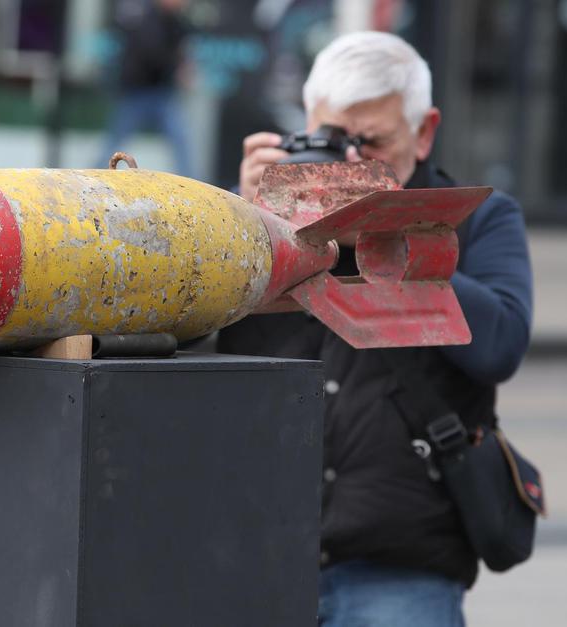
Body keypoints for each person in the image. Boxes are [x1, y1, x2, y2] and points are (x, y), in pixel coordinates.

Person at [219, 31, 533, 626]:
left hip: (402, 559)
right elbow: (182, 337)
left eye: (374, 143)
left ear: (425, 130)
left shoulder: (478, 217)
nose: (352, 163)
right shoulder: (255, 214)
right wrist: (240, 221)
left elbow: (502, 345)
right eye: (336, 140)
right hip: (254, 545)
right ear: (305, 126)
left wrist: (388, 238)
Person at [98, 0, 193, 177]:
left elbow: (182, 51)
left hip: (162, 93)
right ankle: (90, 180)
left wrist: (184, 66)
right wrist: (177, 68)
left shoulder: (177, 21)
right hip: (136, 92)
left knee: (181, 141)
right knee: (114, 143)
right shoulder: (143, 14)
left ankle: (196, 187)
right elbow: (152, 53)